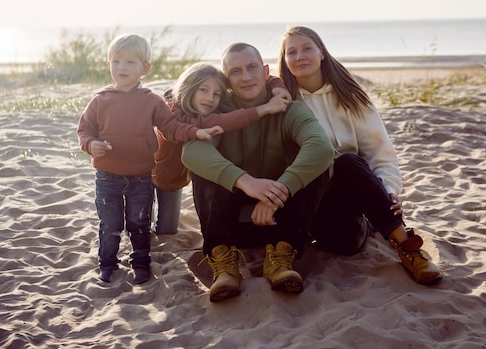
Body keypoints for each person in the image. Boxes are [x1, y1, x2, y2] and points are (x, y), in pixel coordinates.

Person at [277, 26, 442, 285]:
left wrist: (388, 190)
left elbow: (380, 152)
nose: (300, 56)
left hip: (348, 190)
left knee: (347, 162)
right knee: (343, 243)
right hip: (309, 201)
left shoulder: (350, 96)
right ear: (285, 61)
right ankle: (372, 224)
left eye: (307, 48)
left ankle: (407, 247)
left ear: (321, 52)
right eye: (292, 52)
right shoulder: (283, 103)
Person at [181, 42, 334, 302]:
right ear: (227, 80)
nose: (247, 77)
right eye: (236, 71)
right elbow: (191, 153)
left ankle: (281, 261)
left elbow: (322, 148)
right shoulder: (219, 115)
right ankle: (224, 263)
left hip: (280, 222)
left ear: (265, 71)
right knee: (205, 169)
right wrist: (246, 181)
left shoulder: (289, 109)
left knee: (311, 165)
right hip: (232, 226)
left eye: (252, 68)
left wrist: (278, 192)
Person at [77, 34, 222, 285]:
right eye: (117, 61)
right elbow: (84, 130)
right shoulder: (100, 100)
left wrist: (196, 132)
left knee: (139, 222)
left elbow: (172, 128)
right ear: (109, 65)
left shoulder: (152, 101)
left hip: (141, 177)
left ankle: (141, 262)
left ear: (145, 68)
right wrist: (91, 145)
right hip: (107, 177)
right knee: (110, 223)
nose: (122, 67)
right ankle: (108, 263)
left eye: (131, 62)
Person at [151, 62, 291, 235]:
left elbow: (254, 78)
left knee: (167, 228)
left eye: (216, 94)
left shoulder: (206, 109)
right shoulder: (173, 113)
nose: (210, 98)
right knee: (152, 224)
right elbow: (215, 122)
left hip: (178, 179)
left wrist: (278, 85)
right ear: (189, 87)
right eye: (203, 90)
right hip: (155, 175)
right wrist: (265, 108)